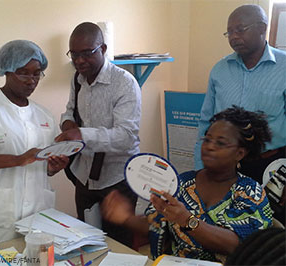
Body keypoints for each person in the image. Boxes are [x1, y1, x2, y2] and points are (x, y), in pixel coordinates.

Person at [101, 106, 272, 262]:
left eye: (220, 143)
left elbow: (239, 245)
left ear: (239, 153)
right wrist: (125, 217)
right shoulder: (182, 183)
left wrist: (187, 220)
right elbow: (156, 226)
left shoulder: (250, 192)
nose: (210, 147)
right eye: (207, 139)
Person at [0, 40, 69, 242]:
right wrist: (17, 159)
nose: (31, 80)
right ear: (6, 71)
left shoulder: (43, 115)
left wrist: (53, 167)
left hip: (38, 217)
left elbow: (44, 164)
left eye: (36, 73)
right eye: (23, 72)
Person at [194, 4, 286, 224]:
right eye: (229, 32)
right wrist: (200, 168)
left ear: (262, 27)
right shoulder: (219, 70)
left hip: (271, 167)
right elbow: (206, 121)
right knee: (224, 228)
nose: (234, 37)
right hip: (226, 167)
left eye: (240, 29)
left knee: (270, 235)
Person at [55, 22, 141, 247]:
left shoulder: (125, 83)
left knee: (118, 246)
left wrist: (81, 134)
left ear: (102, 49)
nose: (80, 60)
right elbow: (69, 110)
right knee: (86, 241)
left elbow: (126, 137)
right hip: (84, 176)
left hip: (117, 179)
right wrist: (67, 125)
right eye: (74, 54)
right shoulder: (78, 78)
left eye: (86, 53)